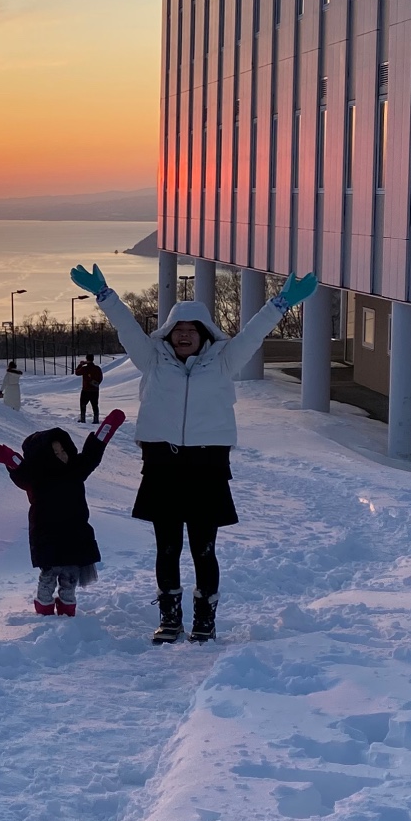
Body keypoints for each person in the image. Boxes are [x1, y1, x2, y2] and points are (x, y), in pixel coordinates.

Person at [68, 263, 317, 645]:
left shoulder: (224, 361)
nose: (184, 336)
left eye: (191, 331)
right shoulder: (152, 360)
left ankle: (205, 619)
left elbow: (253, 333)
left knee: (204, 548)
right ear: (168, 334)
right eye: (178, 331)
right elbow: (127, 328)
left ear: (204, 335)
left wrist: (280, 303)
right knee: (167, 548)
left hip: (207, 467)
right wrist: (105, 294)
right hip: (162, 465)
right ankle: (170, 619)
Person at [0, 409, 127, 616]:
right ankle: (44, 608)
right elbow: (21, 472)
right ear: (43, 457)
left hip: (75, 529)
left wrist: (106, 429)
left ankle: (67, 607)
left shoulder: (75, 469)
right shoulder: (37, 477)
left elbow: (92, 453)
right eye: (55, 453)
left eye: (63, 450)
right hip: (47, 532)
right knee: (49, 573)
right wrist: (9, 459)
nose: (62, 455)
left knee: (71, 573)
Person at [74, 355, 103, 423]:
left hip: (86, 390)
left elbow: (77, 372)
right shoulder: (97, 368)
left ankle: (83, 419)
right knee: (95, 405)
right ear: (93, 359)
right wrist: (96, 384)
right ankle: (96, 420)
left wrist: (80, 365)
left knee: (83, 404)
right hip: (95, 390)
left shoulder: (85, 368)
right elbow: (100, 378)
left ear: (87, 359)